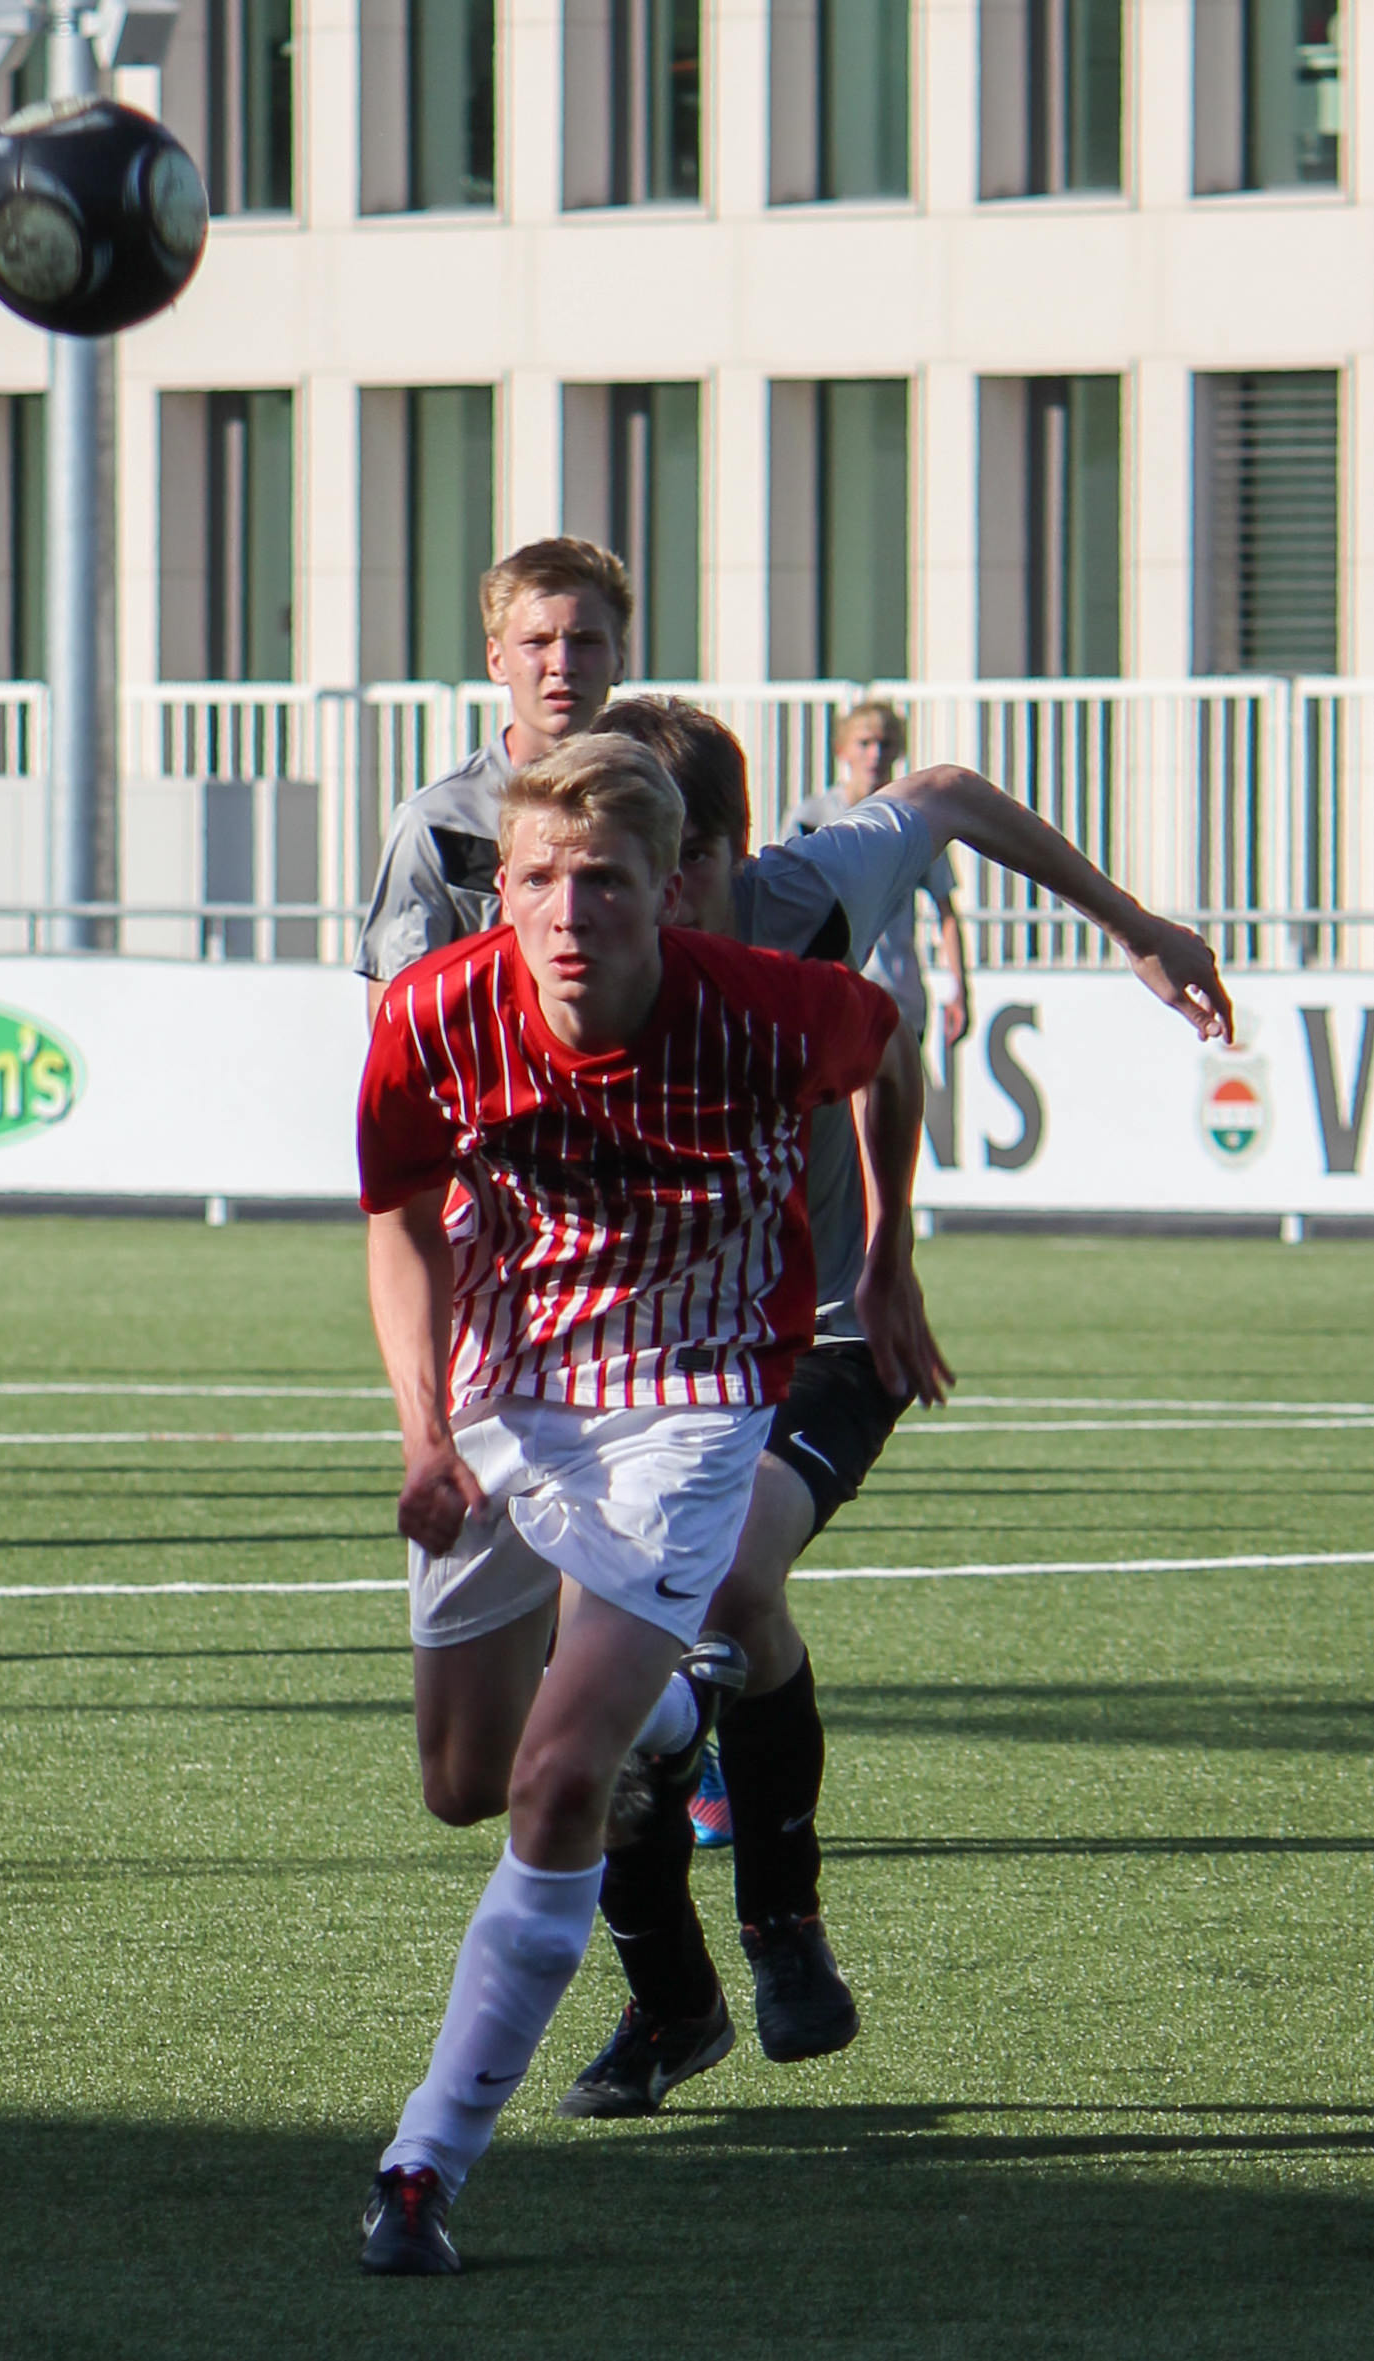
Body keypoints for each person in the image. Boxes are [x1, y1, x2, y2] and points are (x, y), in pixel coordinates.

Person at [538, 698, 1235, 2116]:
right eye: (615, 866)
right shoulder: (572, 936)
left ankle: (781, 1921)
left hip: (830, 1334)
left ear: (729, 852)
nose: (640, 899)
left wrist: (1134, 926)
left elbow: (951, 799)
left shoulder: (808, 894)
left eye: (673, 864)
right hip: (646, 1353)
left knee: (729, 1579)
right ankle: (671, 2003)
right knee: (585, 1690)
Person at [354, 733, 904, 2274]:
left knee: (548, 1784)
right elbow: (401, 1220)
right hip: (502, 1389)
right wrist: (423, 1435)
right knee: (462, 1780)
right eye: (537, 878)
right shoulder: (432, 1012)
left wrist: (890, 1254)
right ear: (501, 892)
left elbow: (889, 1048)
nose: (567, 910)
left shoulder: (766, 1008)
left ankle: (422, 2165)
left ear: (670, 889)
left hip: (688, 1401)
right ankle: (670, 1717)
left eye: (602, 879)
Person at [354, 537, 627, 1020]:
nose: (562, 665)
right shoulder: (438, 823)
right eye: (537, 642)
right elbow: (397, 1016)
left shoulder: (664, 806)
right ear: (497, 660)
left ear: (619, 657)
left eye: (585, 641)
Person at [792, 699, 971, 1049]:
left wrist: (961, 990)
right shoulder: (812, 816)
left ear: (899, 750)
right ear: (842, 749)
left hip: (896, 995)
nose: (875, 754)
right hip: (831, 995)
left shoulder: (914, 820)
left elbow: (946, 910)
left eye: (885, 743)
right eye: (865, 743)